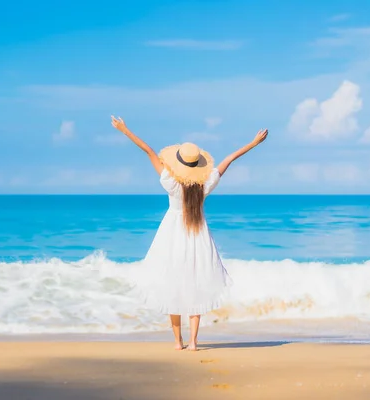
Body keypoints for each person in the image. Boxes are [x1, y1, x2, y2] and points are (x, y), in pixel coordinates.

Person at [111, 115, 268, 351]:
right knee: (195, 284)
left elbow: (149, 151)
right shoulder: (205, 185)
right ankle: (194, 342)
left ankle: (178, 342)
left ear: (178, 163)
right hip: (197, 234)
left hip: (171, 235)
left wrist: (124, 129)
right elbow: (229, 159)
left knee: (171, 285)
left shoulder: (170, 182)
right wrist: (253, 143)